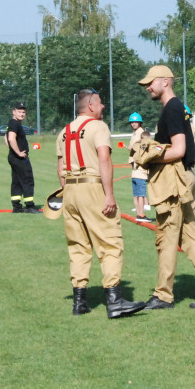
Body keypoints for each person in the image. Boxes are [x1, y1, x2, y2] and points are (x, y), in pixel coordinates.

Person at [137, 65, 195, 309]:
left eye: (150, 83)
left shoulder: (172, 108)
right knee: (190, 237)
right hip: (184, 177)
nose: (148, 88)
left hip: (175, 181)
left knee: (167, 236)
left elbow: (178, 149)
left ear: (165, 82)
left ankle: (163, 295)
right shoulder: (176, 107)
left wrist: (149, 156)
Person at [55, 89, 145, 319]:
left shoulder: (64, 132)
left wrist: (67, 194)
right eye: (101, 103)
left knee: (78, 247)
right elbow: (104, 158)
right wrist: (109, 195)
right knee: (110, 244)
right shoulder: (98, 127)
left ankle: (79, 302)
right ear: (91, 106)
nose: (103, 107)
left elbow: (61, 168)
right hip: (92, 187)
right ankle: (114, 301)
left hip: (70, 191)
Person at [4, 103, 39, 213]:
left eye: (23, 112)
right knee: (27, 179)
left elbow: (6, 137)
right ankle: (30, 206)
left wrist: (12, 150)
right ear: (14, 112)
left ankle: (17, 206)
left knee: (17, 181)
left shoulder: (12, 123)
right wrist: (18, 152)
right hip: (19, 158)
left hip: (12, 157)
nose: (22, 114)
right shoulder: (15, 124)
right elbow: (10, 138)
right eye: (19, 111)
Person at [126, 113, 152, 223]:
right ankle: (140, 214)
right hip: (138, 166)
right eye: (132, 122)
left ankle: (140, 211)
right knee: (139, 193)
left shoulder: (141, 133)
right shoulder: (136, 133)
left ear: (140, 123)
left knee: (138, 193)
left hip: (138, 164)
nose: (133, 124)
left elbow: (140, 149)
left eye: (135, 122)